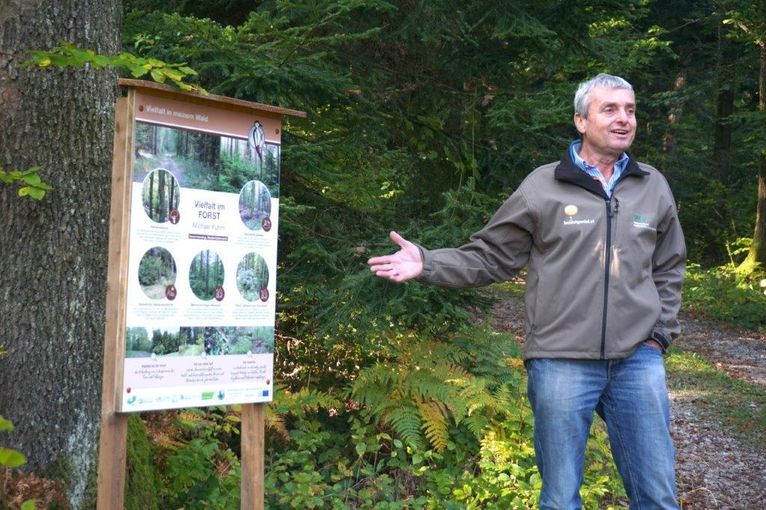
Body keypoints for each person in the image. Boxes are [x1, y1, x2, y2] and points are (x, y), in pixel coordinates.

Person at [368, 73, 686, 509]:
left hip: (638, 360)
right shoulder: (543, 186)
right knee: (559, 497)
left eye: (630, 110)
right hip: (560, 361)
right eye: (609, 109)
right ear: (581, 120)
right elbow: (491, 255)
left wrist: (659, 335)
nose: (623, 119)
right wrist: (428, 262)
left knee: (657, 494)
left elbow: (669, 265)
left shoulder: (653, 186)